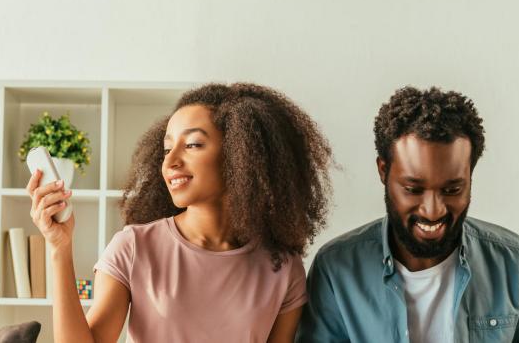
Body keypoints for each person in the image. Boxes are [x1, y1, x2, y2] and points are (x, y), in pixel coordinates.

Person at [28, 83, 333, 342]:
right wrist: (59, 248)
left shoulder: (282, 268)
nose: (170, 161)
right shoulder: (135, 247)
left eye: (193, 144)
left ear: (242, 155)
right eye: (167, 148)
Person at [297, 86, 519, 343]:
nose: (433, 211)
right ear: (383, 171)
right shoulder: (336, 270)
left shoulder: (516, 264)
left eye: (452, 189)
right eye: (413, 189)